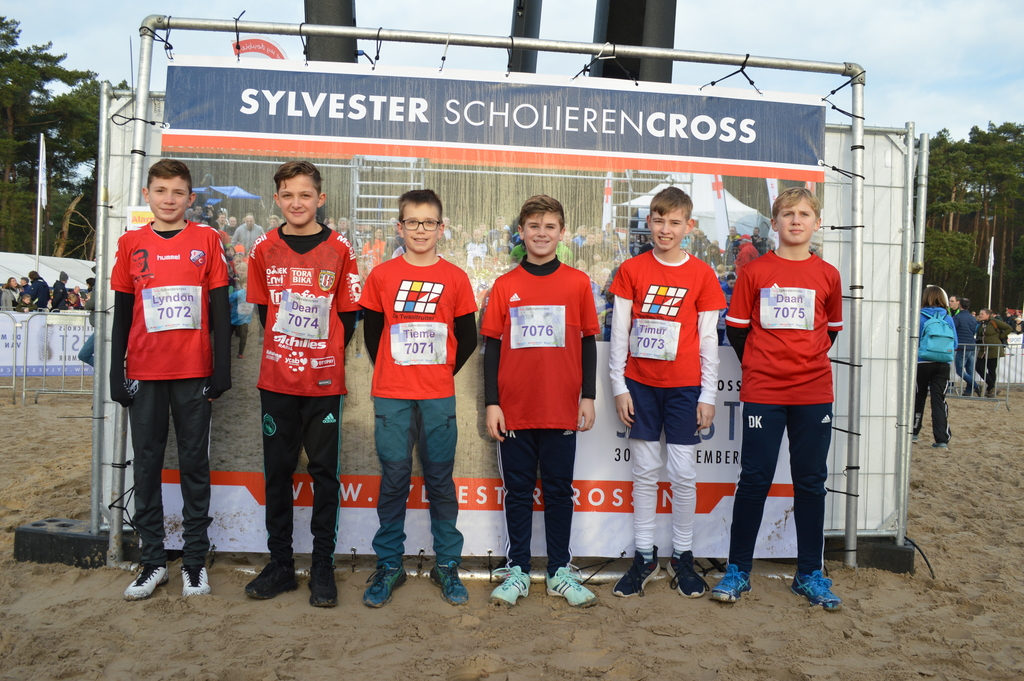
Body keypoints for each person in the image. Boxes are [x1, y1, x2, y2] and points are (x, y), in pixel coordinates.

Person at [711, 187, 844, 611]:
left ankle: (809, 574)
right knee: (754, 480)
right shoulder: (754, 272)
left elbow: (830, 332)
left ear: (816, 223)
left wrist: (799, 362)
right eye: (788, 214)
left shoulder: (828, 275)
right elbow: (737, 330)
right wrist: (765, 364)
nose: (796, 220)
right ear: (775, 222)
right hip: (764, 392)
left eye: (804, 214)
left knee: (811, 482)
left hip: (813, 393)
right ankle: (738, 570)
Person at [109, 158, 231, 601]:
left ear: (190, 198)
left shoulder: (207, 239)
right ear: (147, 195)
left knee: (194, 465)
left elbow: (220, 309)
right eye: (161, 191)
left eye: (178, 192)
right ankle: (153, 562)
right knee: (146, 466)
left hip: (193, 372)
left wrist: (221, 369)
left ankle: (194, 562)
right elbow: (123, 314)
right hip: (145, 372)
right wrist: (115, 371)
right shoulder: (130, 243)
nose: (169, 199)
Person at [243, 161, 361, 608]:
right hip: (277, 380)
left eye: (305, 195)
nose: (297, 203)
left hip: (324, 383)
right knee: (277, 472)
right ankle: (280, 565)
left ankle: (323, 567)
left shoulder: (340, 248)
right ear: (277, 199)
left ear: (320, 199)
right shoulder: (263, 248)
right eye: (288, 195)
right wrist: (289, 350)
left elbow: (349, 315)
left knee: (324, 473)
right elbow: (264, 313)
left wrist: (321, 354)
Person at [360, 189, 478, 608]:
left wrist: (438, 372)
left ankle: (446, 564)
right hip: (392, 397)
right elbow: (372, 335)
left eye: (429, 222)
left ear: (441, 228)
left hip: (437, 398)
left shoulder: (456, 278)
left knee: (440, 481)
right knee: (394, 479)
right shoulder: (381, 276)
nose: (421, 230)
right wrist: (397, 370)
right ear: (400, 227)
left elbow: (468, 338)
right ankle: (389, 564)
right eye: (413, 222)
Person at [482, 195, 600, 608]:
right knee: (517, 492)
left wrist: (588, 396)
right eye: (534, 226)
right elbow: (492, 349)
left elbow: (588, 342)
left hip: (561, 408)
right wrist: (493, 403)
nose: (541, 233)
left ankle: (559, 572)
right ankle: (517, 569)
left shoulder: (578, 283)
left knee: (558, 492)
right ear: (521, 232)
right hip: (515, 410)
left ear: (562, 233)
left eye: (550, 226)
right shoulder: (505, 286)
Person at [609, 186, 726, 599]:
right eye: (658, 221)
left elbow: (709, 339)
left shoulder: (702, 274)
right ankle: (644, 556)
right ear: (649, 222)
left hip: (684, 388)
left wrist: (708, 395)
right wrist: (619, 386)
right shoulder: (631, 270)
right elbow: (619, 332)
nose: (665, 229)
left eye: (674, 222)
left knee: (683, 473)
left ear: (688, 226)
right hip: (640, 386)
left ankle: (683, 555)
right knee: (643, 472)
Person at [913, 285, 957, 448]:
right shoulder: (948, 318)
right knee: (939, 400)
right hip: (943, 363)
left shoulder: (918, 316)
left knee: (918, 397)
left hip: (922, 362)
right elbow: (955, 343)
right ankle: (941, 439)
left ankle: (913, 431)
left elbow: (913, 340)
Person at [975, 309, 1011, 398]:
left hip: (993, 349)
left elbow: (1008, 328)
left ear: (988, 315)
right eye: (980, 314)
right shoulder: (982, 324)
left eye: (982, 314)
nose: (980, 315)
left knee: (991, 369)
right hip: (983, 349)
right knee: (979, 367)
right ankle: (992, 386)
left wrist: (1000, 337)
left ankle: (990, 390)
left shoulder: (994, 322)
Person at [949, 296, 978, 396]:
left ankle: (976, 386)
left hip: (962, 345)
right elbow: (973, 331)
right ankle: (968, 390)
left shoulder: (957, 317)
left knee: (959, 370)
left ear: (959, 304)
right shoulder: (972, 318)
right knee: (970, 370)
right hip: (971, 345)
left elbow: (953, 330)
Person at [228, 267, 252, 359]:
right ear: (242, 285)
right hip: (234, 318)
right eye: (245, 285)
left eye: (249, 285)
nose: (247, 287)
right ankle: (226, 349)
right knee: (229, 334)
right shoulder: (239, 293)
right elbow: (229, 299)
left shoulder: (253, 294)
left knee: (243, 336)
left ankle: (240, 353)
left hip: (245, 320)